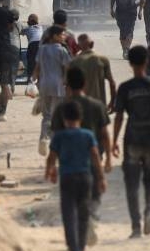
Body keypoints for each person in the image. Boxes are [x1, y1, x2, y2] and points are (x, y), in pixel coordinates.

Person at [113, 45, 150, 238]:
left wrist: (113, 141)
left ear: (130, 64)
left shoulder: (125, 88)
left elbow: (119, 116)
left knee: (131, 184)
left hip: (131, 141)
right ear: (147, 62)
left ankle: (136, 227)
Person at [53, 66, 112, 247]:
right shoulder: (97, 106)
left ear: (67, 84)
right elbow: (104, 134)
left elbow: (56, 139)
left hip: (69, 163)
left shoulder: (61, 108)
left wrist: (52, 165)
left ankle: (78, 239)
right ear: (85, 83)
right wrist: (109, 157)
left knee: (71, 202)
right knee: (91, 196)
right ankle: (91, 218)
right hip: (93, 161)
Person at [46, 101, 106, 251]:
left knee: (68, 215)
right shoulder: (88, 135)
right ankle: (81, 248)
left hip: (67, 178)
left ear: (65, 119)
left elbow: (51, 157)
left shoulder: (59, 136)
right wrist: (101, 178)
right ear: (80, 117)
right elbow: (95, 157)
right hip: (85, 178)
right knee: (83, 214)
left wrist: (50, 171)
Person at [33, 26, 72, 155]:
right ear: (54, 36)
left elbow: (37, 69)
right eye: (62, 35)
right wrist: (66, 82)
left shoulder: (42, 49)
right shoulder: (62, 51)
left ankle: (43, 138)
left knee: (47, 115)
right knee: (57, 114)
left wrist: (34, 82)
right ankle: (55, 142)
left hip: (44, 85)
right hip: (58, 86)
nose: (64, 36)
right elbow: (67, 69)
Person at [68, 33, 116, 108]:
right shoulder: (102, 60)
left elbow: (68, 86)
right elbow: (112, 83)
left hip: (79, 106)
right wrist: (112, 102)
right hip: (99, 105)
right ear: (92, 44)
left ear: (78, 46)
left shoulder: (74, 62)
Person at [21, 14, 42, 80]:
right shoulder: (40, 27)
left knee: (31, 62)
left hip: (33, 44)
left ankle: (30, 78)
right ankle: (39, 78)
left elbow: (20, 32)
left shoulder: (28, 28)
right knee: (39, 62)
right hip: (41, 44)